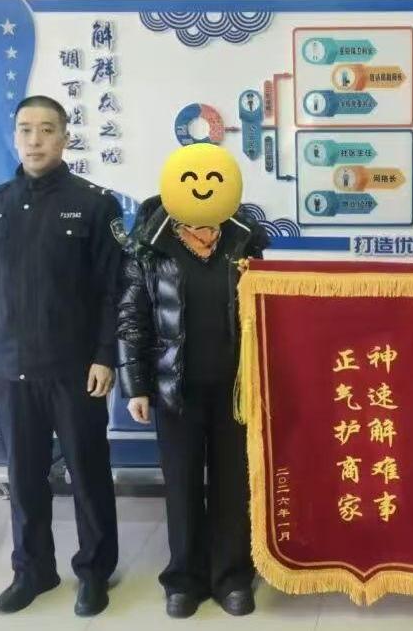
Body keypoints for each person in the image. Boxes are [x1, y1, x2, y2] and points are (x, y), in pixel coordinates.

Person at [0, 95, 123, 617]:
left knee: (88, 474)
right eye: (26, 129)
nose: (35, 140)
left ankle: (93, 572)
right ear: (14, 136)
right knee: (24, 477)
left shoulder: (94, 205)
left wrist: (105, 355)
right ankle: (33, 571)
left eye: (47, 129)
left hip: (76, 370)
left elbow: (112, 292)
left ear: (65, 137)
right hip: (10, 367)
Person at [118, 144, 269, 619]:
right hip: (174, 390)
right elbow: (132, 317)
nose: (203, 188)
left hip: (235, 390)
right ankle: (184, 578)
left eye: (212, 179)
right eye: (192, 179)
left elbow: (266, 311)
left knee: (232, 486)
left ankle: (232, 577)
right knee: (182, 486)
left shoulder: (245, 237)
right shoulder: (150, 240)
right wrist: (137, 386)